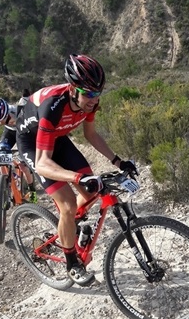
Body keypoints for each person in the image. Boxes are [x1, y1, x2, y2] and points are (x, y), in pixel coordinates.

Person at [16, 53, 137, 286]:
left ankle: (71, 225)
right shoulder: (53, 106)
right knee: (68, 203)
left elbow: (90, 134)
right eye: (89, 94)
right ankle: (72, 263)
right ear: (73, 89)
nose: (94, 100)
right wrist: (77, 176)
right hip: (33, 144)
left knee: (90, 192)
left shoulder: (89, 101)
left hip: (58, 138)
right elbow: (42, 163)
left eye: (98, 94)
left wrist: (118, 161)